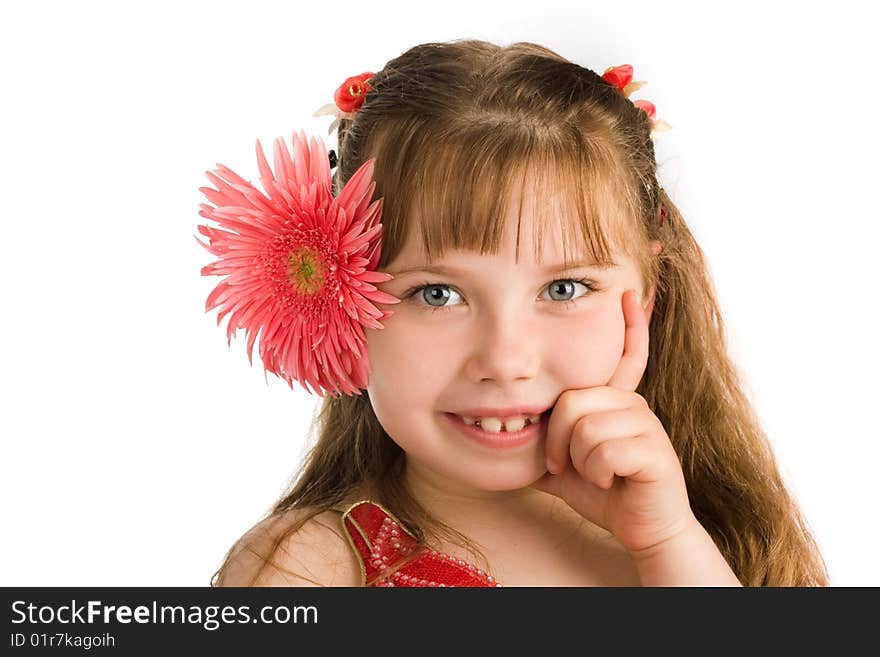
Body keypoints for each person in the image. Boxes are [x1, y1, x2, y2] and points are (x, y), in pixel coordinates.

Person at [200, 39, 828, 587]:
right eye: (437, 293)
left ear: (648, 297)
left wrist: (668, 545)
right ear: (342, 310)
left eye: (564, 290)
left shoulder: (712, 550)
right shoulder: (312, 569)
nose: (505, 360)